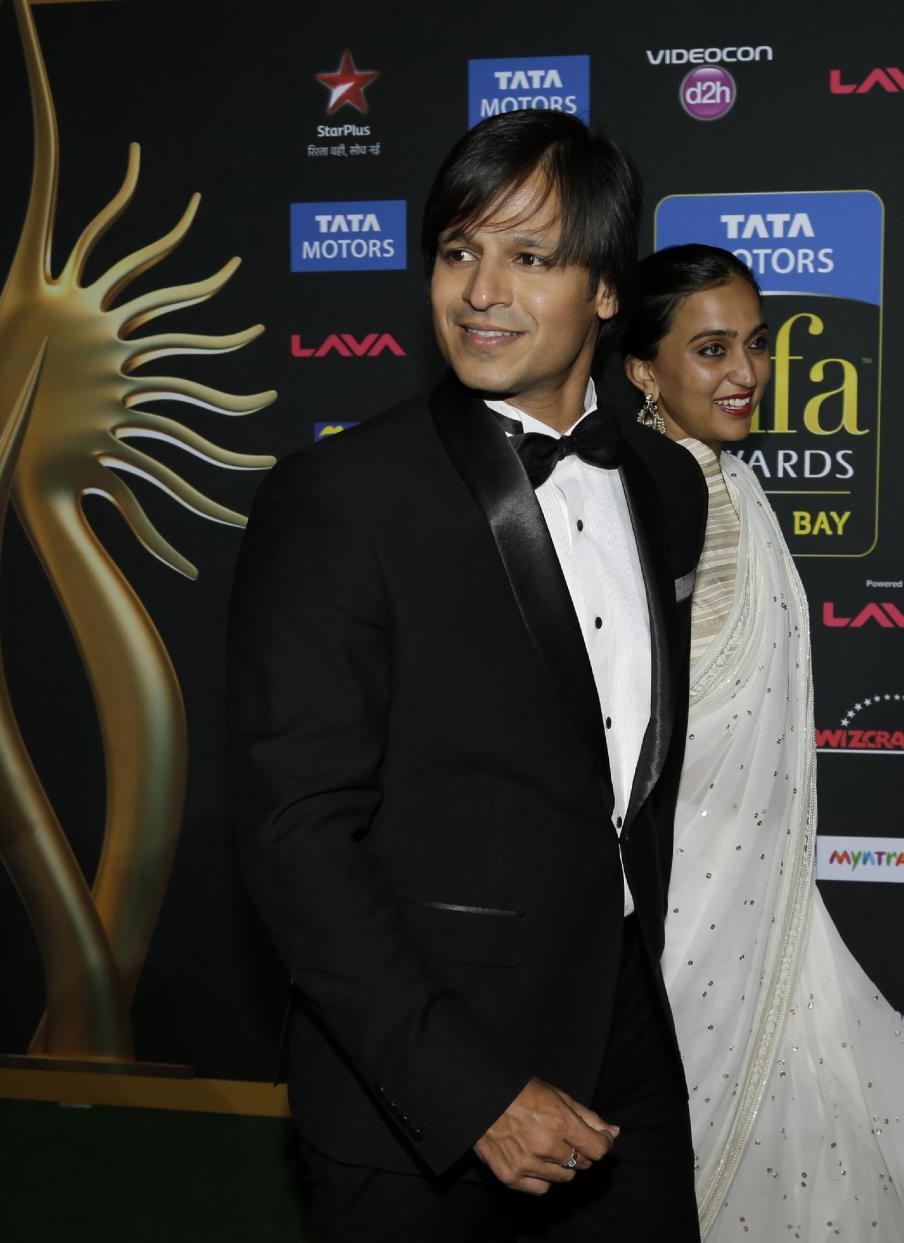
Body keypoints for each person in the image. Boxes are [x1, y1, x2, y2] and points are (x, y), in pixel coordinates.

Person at [227, 110, 706, 1242]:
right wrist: (468, 1087)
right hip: (423, 1097)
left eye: (529, 257)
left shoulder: (664, 484)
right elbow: (295, 834)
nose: (480, 289)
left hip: (627, 1049)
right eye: (458, 251)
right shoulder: (341, 497)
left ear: (604, 293)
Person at [623, 243, 904, 1240]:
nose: (745, 372)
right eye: (709, 349)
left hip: (754, 895)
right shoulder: (647, 497)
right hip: (673, 904)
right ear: (643, 370)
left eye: (756, 343)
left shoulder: (731, 486)